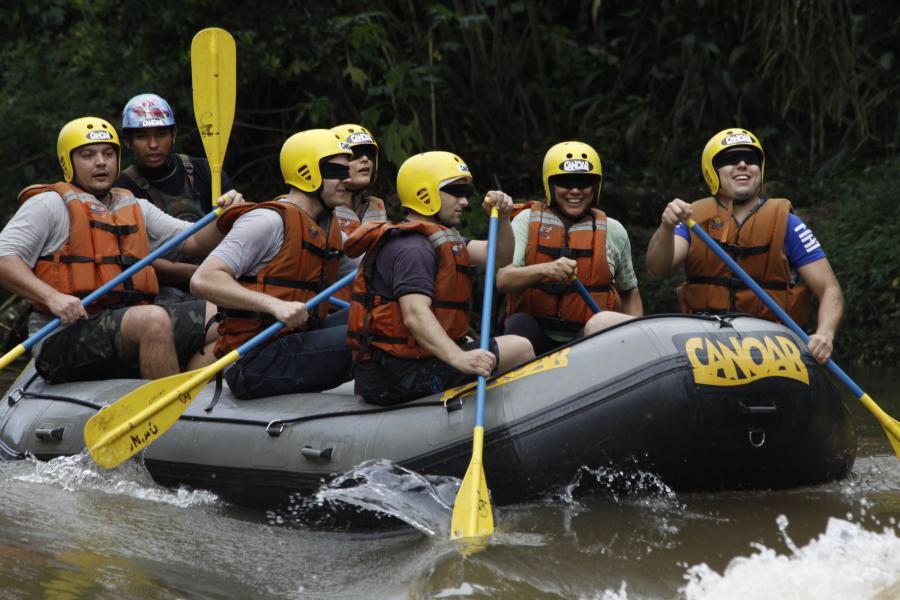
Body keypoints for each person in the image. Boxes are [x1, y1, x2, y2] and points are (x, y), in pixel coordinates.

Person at [0, 117, 242, 384]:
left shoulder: (134, 207)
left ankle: (186, 391)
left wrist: (226, 216)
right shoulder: (49, 205)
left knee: (232, 311)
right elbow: (4, 259)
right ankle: (171, 410)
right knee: (152, 319)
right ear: (67, 162)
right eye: (88, 155)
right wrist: (52, 298)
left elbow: (195, 241)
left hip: (125, 321)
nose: (101, 162)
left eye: (108, 153)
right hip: (62, 337)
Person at [345, 150, 535, 405]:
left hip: (412, 362)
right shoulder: (412, 248)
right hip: (395, 376)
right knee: (520, 348)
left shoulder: (437, 239)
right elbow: (415, 315)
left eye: (465, 193)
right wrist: (459, 357)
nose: (465, 202)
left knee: (486, 344)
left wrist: (502, 219)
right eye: (455, 191)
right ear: (425, 193)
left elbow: (499, 257)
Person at [644, 127, 844, 363]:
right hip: (704, 338)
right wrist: (667, 227)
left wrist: (825, 334)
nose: (742, 164)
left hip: (770, 341)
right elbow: (657, 267)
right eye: (729, 159)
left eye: (751, 160)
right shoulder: (692, 218)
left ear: (760, 169)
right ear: (712, 171)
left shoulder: (787, 223)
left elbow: (830, 289)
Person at [190, 129, 354, 399]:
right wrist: (274, 305)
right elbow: (203, 279)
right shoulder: (267, 221)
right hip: (254, 358)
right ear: (307, 172)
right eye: (336, 171)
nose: (346, 179)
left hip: (296, 339)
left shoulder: (327, 230)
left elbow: (371, 265)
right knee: (370, 334)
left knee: (375, 318)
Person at [496, 141, 643, 356]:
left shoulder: (614, 230)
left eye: (584, 182)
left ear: (595, 186)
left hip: (587, 337)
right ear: (550, 185)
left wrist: (637, 339)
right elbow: (503, 280)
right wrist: (545, 270)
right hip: (534, 334)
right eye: (565, 182)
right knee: (520, 323)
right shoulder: (525, 221)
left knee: (601, 324)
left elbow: (630, 291)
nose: (575, 191)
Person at [115, 93, 237, 302]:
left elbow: (235, 230)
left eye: (161, 134)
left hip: (222, 273)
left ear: (173, 135)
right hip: (163, 289)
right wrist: (193, 273)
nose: (153, 144)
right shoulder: (121, 189)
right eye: (142, 136)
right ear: (128, 142)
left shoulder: (206, 170)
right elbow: (132, 258)